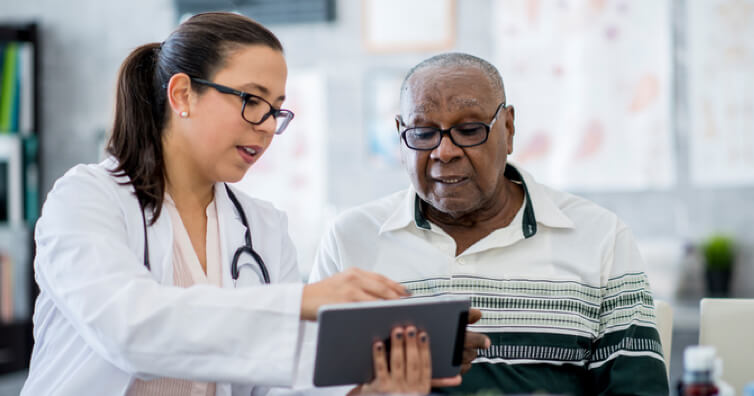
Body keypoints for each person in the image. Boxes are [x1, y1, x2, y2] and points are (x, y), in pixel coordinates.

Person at [21, 12, 446, 396]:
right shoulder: (85, 198)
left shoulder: (262, 226)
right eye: (251, 101)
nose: (264, 128)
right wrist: (297, 303)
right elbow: (128, 329)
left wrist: (369, 391)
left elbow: (273, 385)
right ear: (183, 94)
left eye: (276, 110)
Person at [310, 53, 669, 395]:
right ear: (401, 135)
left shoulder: (600, 237)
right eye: (423, 134)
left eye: (469, 130)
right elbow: (307, 387)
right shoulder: (350, 240)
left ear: (508, 128)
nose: (444, 152)